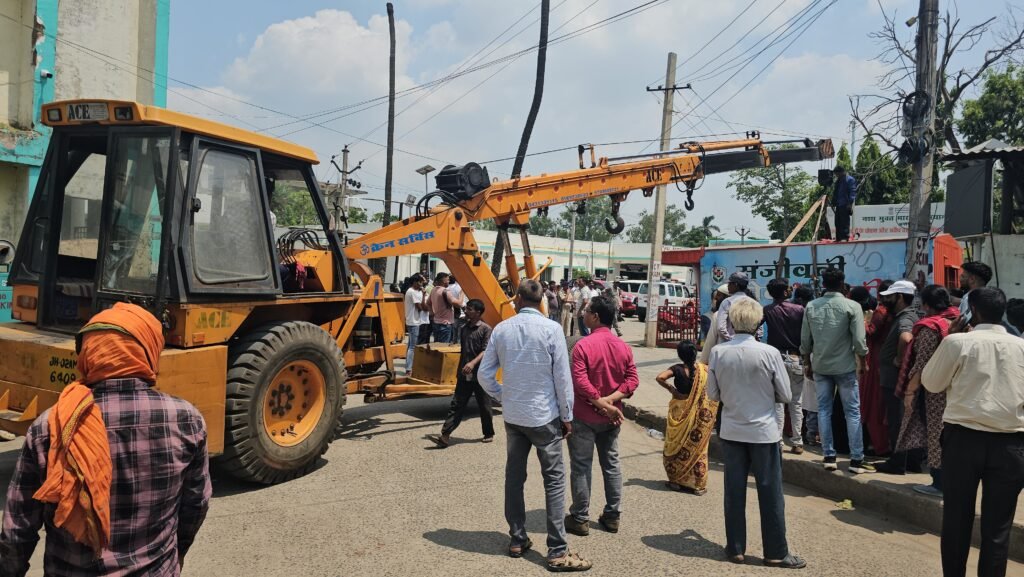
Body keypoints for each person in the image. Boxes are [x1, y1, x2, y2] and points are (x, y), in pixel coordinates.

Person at [0, 303, 211, 575]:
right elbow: (195, 505)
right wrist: (176, 555)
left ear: (87, 355)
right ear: (148, 352)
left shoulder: (51, 425)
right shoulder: (186, 420)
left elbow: (18, 529)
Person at [478, 279, 591, 572]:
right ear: (542, 301)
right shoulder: (552, 329)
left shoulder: (503, 329)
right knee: (553, 481)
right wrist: (567, 416)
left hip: (515, 417)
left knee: (514, 478)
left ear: (517, 299)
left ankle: (517, 539)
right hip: (545, 418)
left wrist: (502, 394)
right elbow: (562, 379)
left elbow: (484, 374)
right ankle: (557, 550)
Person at [922, 288, 1024, 577]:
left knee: (956, 518)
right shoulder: (1021, 346)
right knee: (998, 527)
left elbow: (932, 383)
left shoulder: (957, 342)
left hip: (963, 439)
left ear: (973, 311)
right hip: (1012, 443)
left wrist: (949, 339)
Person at [706, 298, 805, 569]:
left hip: (732, 430)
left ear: (732, 322)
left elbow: (712, 394)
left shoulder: (719, 352)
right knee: (770, 492)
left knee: (734, 492)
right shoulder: (769, 353)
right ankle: (776, 552)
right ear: (758, 322)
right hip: (763, 432)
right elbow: (785, 394)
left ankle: (735, 548)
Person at [565, 295, 638, 537]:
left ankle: (580, 517)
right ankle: (612, 515)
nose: (583, 314)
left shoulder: (583, 346)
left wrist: (601, 402)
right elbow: (632, 380)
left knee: (582, 467)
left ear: (595, 317)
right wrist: (610, 402)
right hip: (612, 417)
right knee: (611, 465)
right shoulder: (623, 346)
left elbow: (580, 383)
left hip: (584, 415)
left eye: (586, 311)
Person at [800, 268, 872, 474]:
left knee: (824, 410)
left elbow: (805, 340)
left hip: (821, 365)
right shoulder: (852, 306)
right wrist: (864, 361)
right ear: (842, 284)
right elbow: (859, 340)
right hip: (846, 367)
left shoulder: (812, 306)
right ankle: (856, 459)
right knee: (852, 412)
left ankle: (829, 455)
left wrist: (807, 362)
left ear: (823, 284)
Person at [893, 284, 959, 497]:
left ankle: (939, 483)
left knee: (935, 433)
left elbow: (921, 365)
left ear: (927, 305)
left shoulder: (930, 329)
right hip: (957, 390)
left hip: (934, 392)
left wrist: (910, 393)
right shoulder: (959, 322)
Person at [656, 340, 719, 495]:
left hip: (680, 412)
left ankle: (676, 480)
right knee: (699, 449)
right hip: (699, 416)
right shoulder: (705, 370)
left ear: (680, 355)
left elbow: (659, 377)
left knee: (676, 445)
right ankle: (698, 485)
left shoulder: (676, 369)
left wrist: (672, 390)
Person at [430, 299, 494, 448]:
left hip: (480, 375)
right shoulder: (464, 328)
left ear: (478, 312)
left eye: (470, 309)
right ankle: (445, 434)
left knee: (484, 405)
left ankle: (488, 432)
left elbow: (486, 351)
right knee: (457, 404)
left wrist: (472, 363)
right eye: (466, 309)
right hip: (464, 374)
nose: (466, 311)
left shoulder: (486, 329)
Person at [874, 280, 923, 474]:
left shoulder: (905, 317)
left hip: (895, 379)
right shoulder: (906, 315)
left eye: (890, 296)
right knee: (905, 419)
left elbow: (906, 338)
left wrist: (899, 359)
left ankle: (897, 462)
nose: (886, 300)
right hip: (896, 378)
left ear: (900, 297)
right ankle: (910, 461)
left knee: (897, 420)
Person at [763, 278, 806, 454]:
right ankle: (797, 442)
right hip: (796, 357)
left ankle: (778, 441)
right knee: (796, 402)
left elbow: (754, 328)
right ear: (786, 292)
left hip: (776, 358)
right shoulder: (799, 309)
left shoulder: (767, 310)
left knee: (778, 403)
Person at [858, 281, 892, 457]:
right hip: (886, 359)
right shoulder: (894, 313)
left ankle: (879, 445)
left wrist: (862, 320)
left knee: (873, 405)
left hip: (876, 359)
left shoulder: (881, 312)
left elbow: (869, 332)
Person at [791, 286, 819, 446]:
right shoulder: (809, 311)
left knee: (797, 398)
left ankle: (799, 432)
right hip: (806, 356)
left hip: (794, 355)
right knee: (808, 398)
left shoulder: (789, 309)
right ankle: (807, 434)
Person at [404, 274, 431, 375]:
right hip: (413, 321)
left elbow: (426, 306)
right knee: (412, 346)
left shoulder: (417, 291)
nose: (421, 284)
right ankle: (409, 369)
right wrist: (424, 296)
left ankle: (410, 367)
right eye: (419, 282)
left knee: (412, 345)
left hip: (417, 321)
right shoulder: (411, 292)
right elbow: (421, 307)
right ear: (414, 282)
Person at [698, 284, 730, 365]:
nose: (716, 300)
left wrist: (702, 361)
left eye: (718, 297)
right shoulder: (707, 316)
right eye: (715, 298)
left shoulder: (719, 314)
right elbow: (709, 340)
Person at [831, 165, 857, 242]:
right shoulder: (838, 181)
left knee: (844, 222)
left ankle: (845, 238)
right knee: (837, 222)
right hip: (838, 204)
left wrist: (850, 203)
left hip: (845, 204)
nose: (836, 176)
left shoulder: (849, 180)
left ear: (842, 172)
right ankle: (838, 238)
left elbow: (852, 192)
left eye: (837, 174)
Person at [430, 272, 457, 343]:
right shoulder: (446, 291)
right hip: (445, 324)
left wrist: (432, 313)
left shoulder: (433, 290)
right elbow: (457, 303)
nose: (449, 281)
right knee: (443, 347)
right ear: (444, 281)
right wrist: (462, 293)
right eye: (448, 280)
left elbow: (428, 303)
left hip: (436, 322)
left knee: (436, 346)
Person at [447, 275, 465, 344]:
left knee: (455, 335)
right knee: (460, 336)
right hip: (462, 313)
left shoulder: (447, 288)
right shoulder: (460, 287)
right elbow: (462, 302)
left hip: (454, 313)